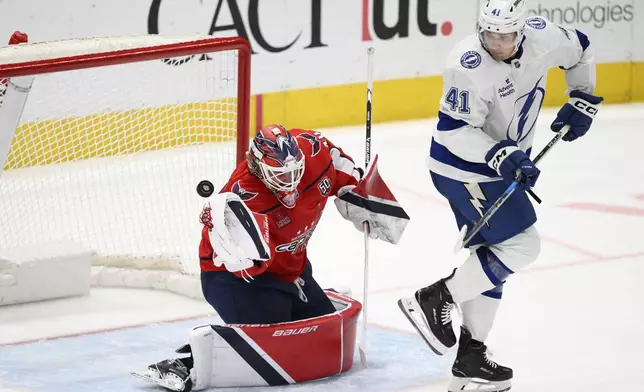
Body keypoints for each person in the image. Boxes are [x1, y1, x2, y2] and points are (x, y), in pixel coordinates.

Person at [398, 1, 602, 391]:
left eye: (506, 36)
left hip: (497, 166)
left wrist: (582, 97)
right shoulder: (466, 65)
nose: (497, 42)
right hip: (464, 168)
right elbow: (455, 132)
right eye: (490, 34)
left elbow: (582, 47)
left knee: (492, 258)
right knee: (523, 246)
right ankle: (435, 297)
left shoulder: (544, 38)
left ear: (523, 31)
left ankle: (471, 357)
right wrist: (501, 154)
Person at [133, 124, 409, 391]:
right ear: (258, 167)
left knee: (323, 340)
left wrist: (358, 191)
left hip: (293, 269)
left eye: (294, 173)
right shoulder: (244, 197)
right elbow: (249, 266)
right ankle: (186, 362)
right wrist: (231, 236)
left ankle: (292, 300)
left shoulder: (314, 150)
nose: (290, 184)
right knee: (276, 344)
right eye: (279, 176)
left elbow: (341, 166)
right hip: (235, 279)